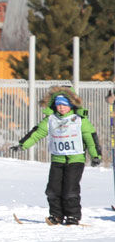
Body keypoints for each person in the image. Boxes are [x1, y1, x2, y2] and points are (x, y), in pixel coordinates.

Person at [10, 87, 101, 226]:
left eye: (64, 104)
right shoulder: (50, 120)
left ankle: (72, 216)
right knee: (53, 190)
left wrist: (96, 156)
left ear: (70, 105)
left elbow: (90, 138)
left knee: (70, 190)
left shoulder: (79, 120)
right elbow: (37, 133)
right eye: (58, 104)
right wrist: (22, 145)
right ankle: (56, 215)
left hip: (75, 160)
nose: (61, 107)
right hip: (57, 160)